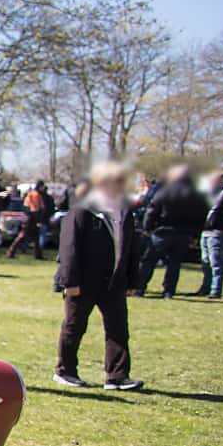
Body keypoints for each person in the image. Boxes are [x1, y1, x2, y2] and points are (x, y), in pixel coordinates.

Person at [54, 161, 142, 390]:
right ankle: (65, 371)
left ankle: (117, 376)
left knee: (118, 329)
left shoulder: (125, 213)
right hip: (83, 282)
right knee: (74, 327)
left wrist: (133, 280)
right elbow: (69, 248)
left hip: (114, 282)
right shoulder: (82, 211)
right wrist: (70, 281)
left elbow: (131, 248)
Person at [135, 163, 207, 298]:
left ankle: (140, 288)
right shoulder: (195, 195)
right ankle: (169, 291)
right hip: (183, 233)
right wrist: (195, 236)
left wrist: (147, 228)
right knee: (174, 264)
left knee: (149, 261)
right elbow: (200, 217)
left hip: (162, 231)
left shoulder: (165, 191)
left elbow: (152, 210)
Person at [197, 172, 223, 299]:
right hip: (206, 232)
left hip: (217, 232)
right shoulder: (210, 193)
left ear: (220, 179)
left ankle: (215, 290)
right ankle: (205, 288)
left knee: (215, 262)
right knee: (205, 261)